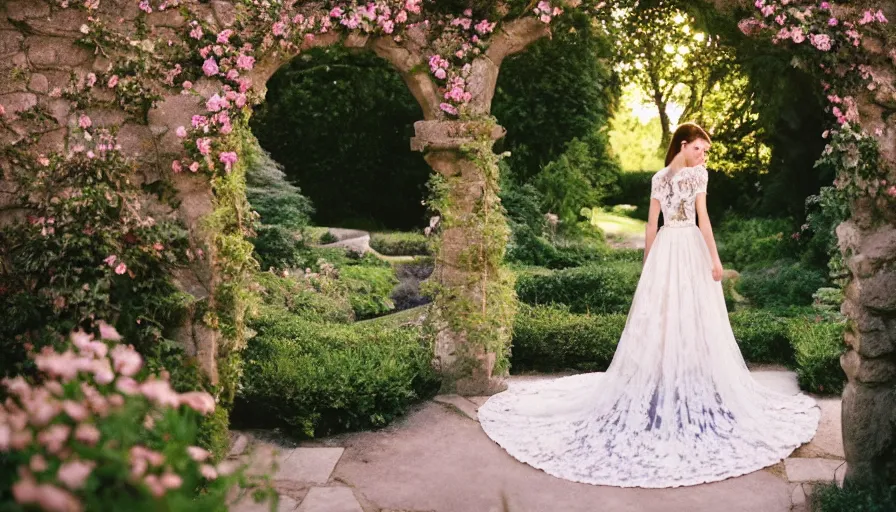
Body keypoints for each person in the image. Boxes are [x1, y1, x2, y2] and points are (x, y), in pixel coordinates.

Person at [478, 122, 820, 488]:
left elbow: (704, 219)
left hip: (689, 249)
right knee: (663, 315)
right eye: (700, 149)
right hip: (670, 250)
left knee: (695, 315)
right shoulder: (661, 178)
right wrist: (647, 266)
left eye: (705, 151)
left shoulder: (698, 176)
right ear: (684, 145)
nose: (703, 156)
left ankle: (692, 375)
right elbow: (651, 224)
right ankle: (661, 378)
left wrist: (714, 260)